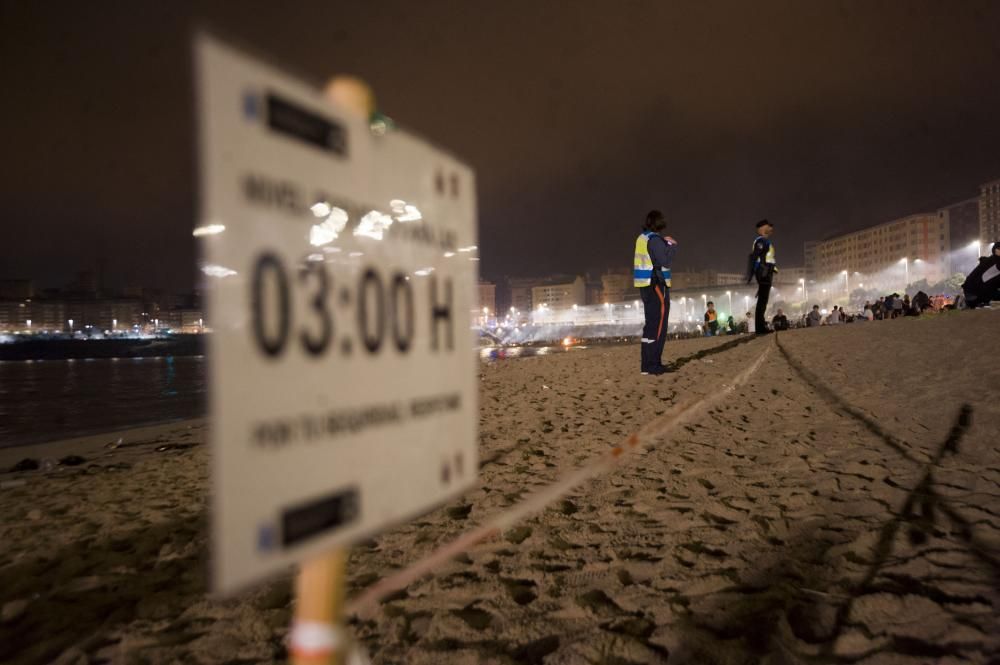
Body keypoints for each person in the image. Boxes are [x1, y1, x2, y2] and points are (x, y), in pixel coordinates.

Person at [633, 210, 678, 374]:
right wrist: (673, 246)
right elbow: (665, 261)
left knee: (650, 326)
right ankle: (654, 364)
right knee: (659, 325)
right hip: (656, 285)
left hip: (645, 285)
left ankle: (646, 365)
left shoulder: (642, 238)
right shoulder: (654, 239)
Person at [746, 219, 776, 334]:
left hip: (765, 272)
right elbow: (754, 257)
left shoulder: (765, 241)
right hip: (764, 273)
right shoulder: (762, 241)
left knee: (763, 300)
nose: (771, 229)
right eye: (769, 226)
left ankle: (760, 327)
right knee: (762, 301)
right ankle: (760, 328)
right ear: (762, 228)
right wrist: (750, 274)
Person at [961, 241, 1000, 308]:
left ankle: (975, 302)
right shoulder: (994, 263)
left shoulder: (991, 261)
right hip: (974, 293)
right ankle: (971, 302)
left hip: (974, 292)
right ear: (995, 250)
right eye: (999, 249)